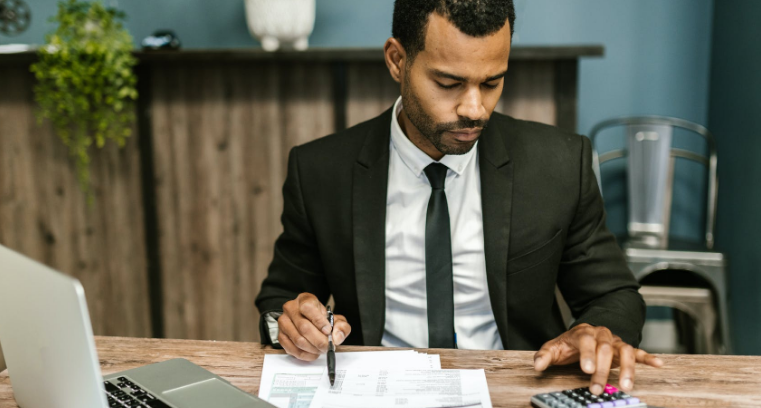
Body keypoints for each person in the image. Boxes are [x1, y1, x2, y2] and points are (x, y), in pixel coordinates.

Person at [255, 0, 663, 396]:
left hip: (516, 389)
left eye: (491, 82)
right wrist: (290, 325)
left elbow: (613, 295)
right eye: (448, 83)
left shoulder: (558, 165)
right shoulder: (321, 171)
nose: (474, 109)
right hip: (377, 393)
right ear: (397, 60)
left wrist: (597, 331)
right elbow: (279, 303)